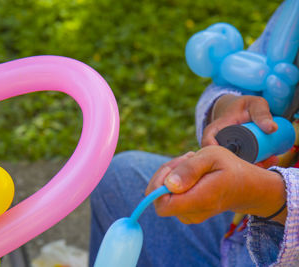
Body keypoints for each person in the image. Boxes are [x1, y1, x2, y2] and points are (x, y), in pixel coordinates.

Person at [89, 1, 299, 266]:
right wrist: (222, 107)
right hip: (240, 224)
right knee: (121, 180)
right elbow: (238, 79)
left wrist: (266, 195)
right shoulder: (293, 18)